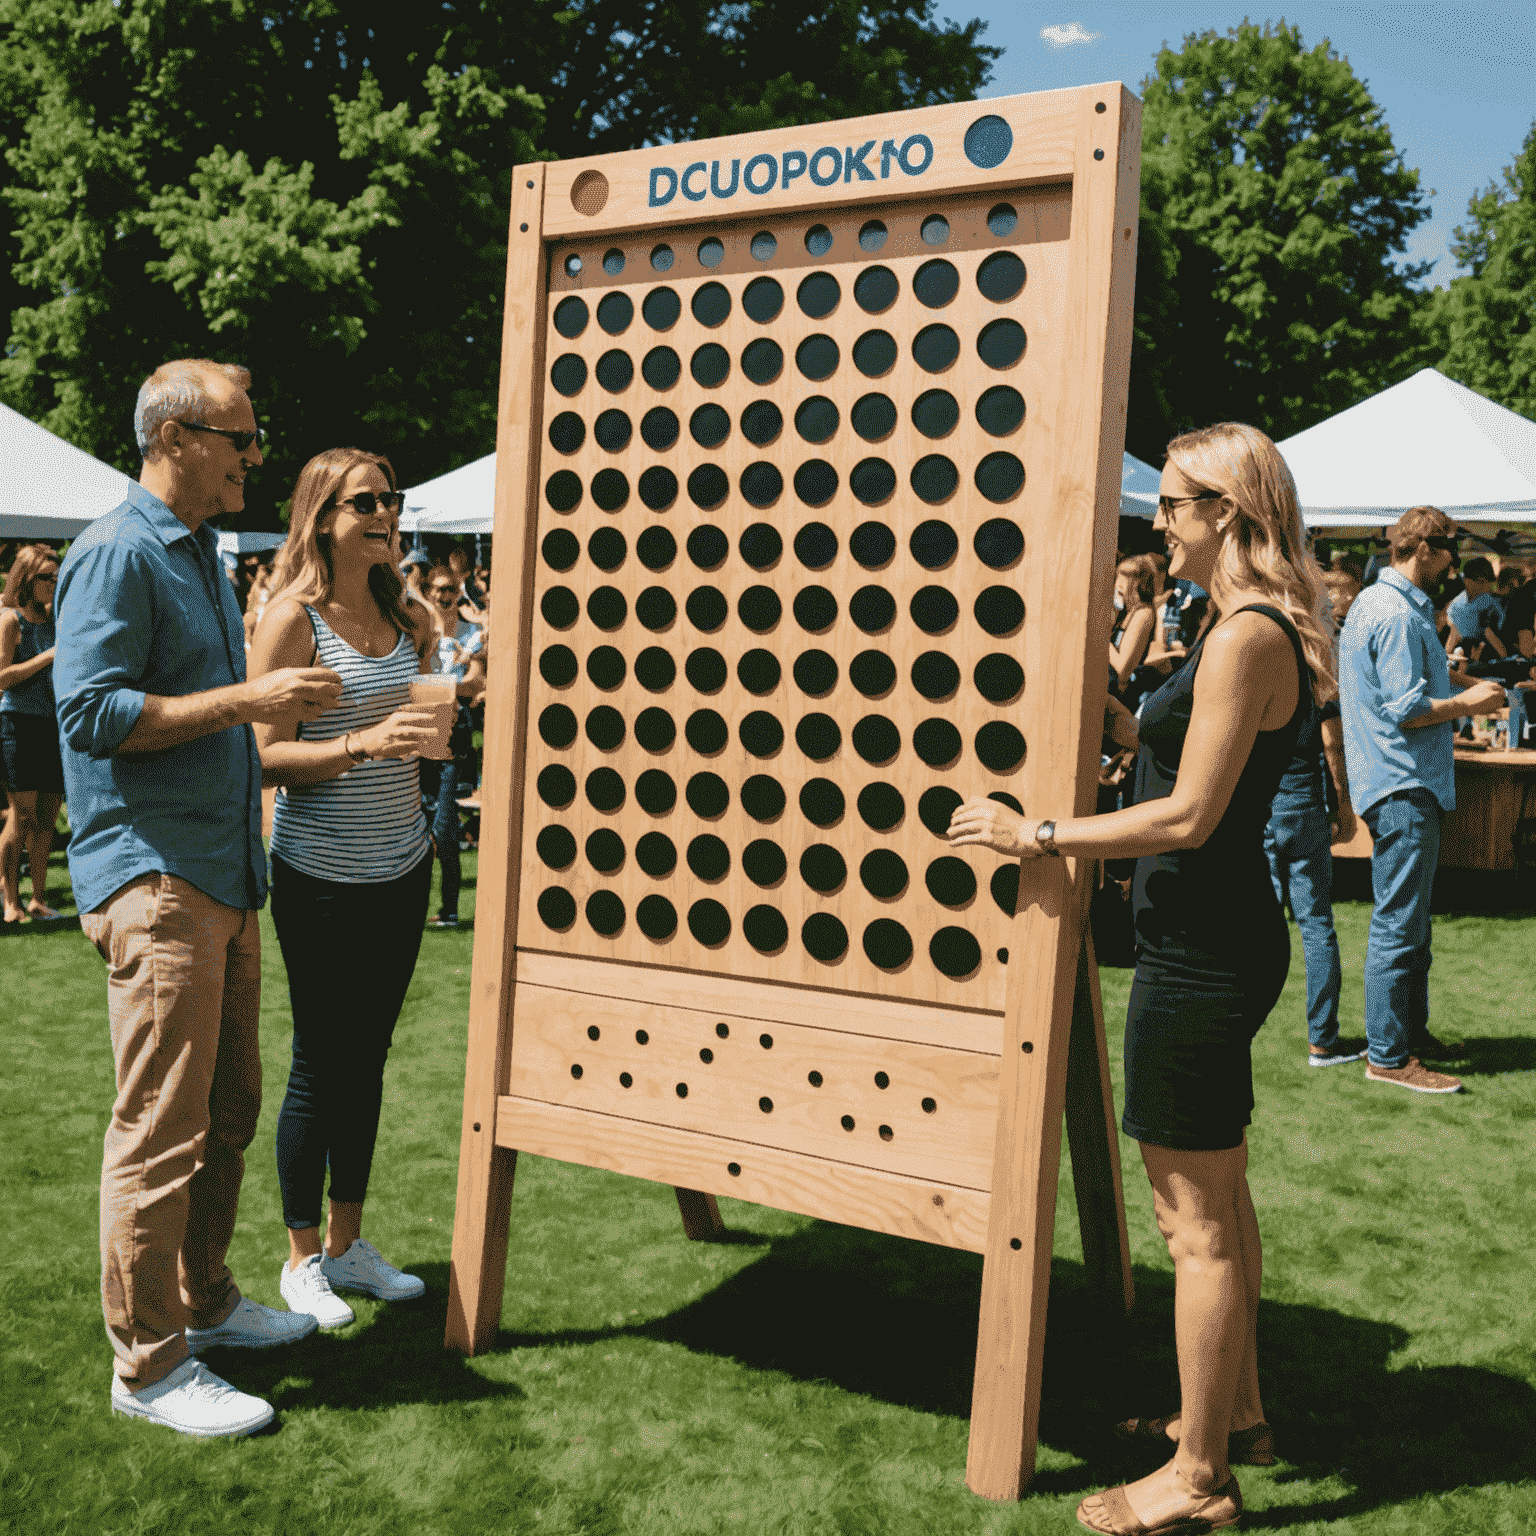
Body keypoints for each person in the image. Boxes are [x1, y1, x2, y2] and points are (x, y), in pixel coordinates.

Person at [949, 422, 1335, 1536]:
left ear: (1229, 513)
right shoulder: (1231, 624)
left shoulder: (1248, 633)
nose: (1157, 521)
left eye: (1173, 504)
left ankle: (1201, 1480)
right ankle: (1235, 1415)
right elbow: (1184, 761)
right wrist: (1128, 721)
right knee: (1220, 1200)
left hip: (1204, 954)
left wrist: (1039, 835)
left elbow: (1189, 815)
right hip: (1206, 940)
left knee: (1192, 1225)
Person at [53, 358, 344, 1439]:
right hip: (155, 880)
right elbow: (88, 713)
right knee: (160, 1131)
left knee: (226, 1113)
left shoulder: (200, 554)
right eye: (239, 436)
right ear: (174, 437)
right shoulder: (119, 550)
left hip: (220, 878)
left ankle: (206, 1305)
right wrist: (253, 699)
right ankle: (150, 1365)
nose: (253, 456)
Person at [251, 447, 441, 1331]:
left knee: (369, 1058)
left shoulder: (407, 614)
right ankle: (299, 1260)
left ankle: (348, 1243)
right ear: (322, 515)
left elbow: (422, 721)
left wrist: (446, 711)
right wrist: (361, 746)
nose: (383, 511)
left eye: (389, 498)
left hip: (403, 867)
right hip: (320, 875)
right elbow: (267, 756)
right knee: (322, 1063)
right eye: (363, 500)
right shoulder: (294, 619)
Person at [1338, 506, 1507, 1096]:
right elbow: (1407, 709)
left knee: (1408, 922)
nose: (1454, 568)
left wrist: (1459, 683)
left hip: (1390, 781)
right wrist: (1473, 704)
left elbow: (1399, 689)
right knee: (1400, 924)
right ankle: (1388, 1055)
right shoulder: (1400, 617)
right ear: (1425, 550)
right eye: (1450, 555)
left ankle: (1407, 1034)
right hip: (1402, 782)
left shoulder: (1374, 604)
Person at [1263, 698, 1359, 1065]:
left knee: (1261, 923)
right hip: (1304, 809)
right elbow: (1334, 746)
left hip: (1264, 810)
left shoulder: (1260, 673)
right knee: (1316, 927)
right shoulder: (1319, 691)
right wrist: (1344, 808)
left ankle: (1238, 1025)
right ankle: (1322, 1041)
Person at [419, 562, 486, 929]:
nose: (445, 595)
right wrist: (451, 684)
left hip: (452, 741)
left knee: (444, 829)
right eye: (439, 589)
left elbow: (476, 684)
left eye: (451, 588)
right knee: (414, 829)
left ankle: (449, 909)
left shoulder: (471, 632)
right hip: (419, 738)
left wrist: (441, 685)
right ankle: (416, 909)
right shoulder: (419, 629)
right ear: (428, 591)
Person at [0, 544, 64, 923]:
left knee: (46, 817)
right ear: (27, 577)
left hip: (52, 723)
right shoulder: (10, 620)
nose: (53, 584)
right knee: (20, 817)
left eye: (56, 578)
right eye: (46, 578)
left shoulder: (53, 619)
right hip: (17, 723)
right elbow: (1, 678)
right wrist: (48, 657)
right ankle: (10, 902)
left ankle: (37, 899)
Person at [1108, 556, 1156, 702]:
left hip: (1122, 697)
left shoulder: (1143, 613)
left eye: (1125, 578)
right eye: (1118, 576)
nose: (1118, 584)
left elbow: (1122, 668)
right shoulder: (1126, 611)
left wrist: (1099, 635)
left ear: (1138, 584)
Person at [1444, 557, 1500, 663]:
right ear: (1467, 581)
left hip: (1488, 657)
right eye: (1481, 582)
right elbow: (1454, 635)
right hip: (1468, 657)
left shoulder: (1491, 602)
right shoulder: (1457, 605)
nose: (1486, 587)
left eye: (1489, 582)